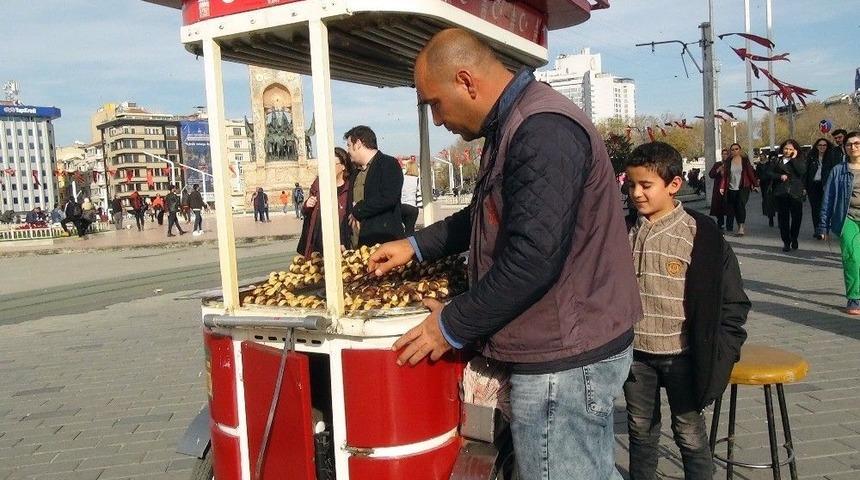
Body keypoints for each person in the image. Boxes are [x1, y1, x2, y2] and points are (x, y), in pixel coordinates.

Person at [367, 28, 641, 479]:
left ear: (466, 81)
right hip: (562, 344)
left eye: (434, 103)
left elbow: (533, 258)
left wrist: (449, 326)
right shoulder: (514, 123)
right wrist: (414, 245)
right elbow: (485, 215)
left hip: (564, 358)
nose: (437, 120)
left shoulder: (542, 129)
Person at [623, 141, 750, 480]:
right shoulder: (624, 231)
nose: (636, 193)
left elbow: (733, 301)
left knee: (690, 434)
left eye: (646, 185)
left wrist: (724, 351)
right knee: (640, 431)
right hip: (635, 356)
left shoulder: (701, 233)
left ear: (673, 185)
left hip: (683, 355)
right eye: (631, 185)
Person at [820, 131, 860, 314]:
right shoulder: (839, 170)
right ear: (845, 148)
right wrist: (823, 225)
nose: (853, 147)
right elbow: (828, 198)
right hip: (848, 219)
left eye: (857, 143)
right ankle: (854, 298)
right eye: (849, 144)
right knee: (851, 257)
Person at [344, 125, 405, 246]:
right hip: (358, 244)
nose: (348, 151)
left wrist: (359, 209)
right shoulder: (356, 172)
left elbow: (388, 197)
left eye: (349, 146)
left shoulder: (388, 164)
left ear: (358, 144)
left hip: (383, 241)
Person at [297, 147, 353, 256]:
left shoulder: (350, 186)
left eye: (333, 163)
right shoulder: (319, 183)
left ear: (343, 166)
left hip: (340, 240)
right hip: (318, 238)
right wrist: (307, 205)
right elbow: (306, 211)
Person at [768, 139, 807, 252]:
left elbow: (802, 171)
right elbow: (768, 173)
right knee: (783, 218)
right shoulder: (777, 160)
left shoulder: (799, 160)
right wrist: (779, 176)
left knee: (796, 218)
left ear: (795, 150)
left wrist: (794, 159)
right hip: (781, 192)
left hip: (795, 193)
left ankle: (794, 237)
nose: (787, 151)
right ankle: (786, 241)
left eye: (790, 149)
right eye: (786, 148)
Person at [719, 143, 758, 236]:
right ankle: (739, 225)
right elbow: (725, 176)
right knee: (735, 208)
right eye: (732, 149)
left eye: (736, 149)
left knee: (740, 205)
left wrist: (755, 184)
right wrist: (722, 186)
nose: (734, 151)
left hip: (743, 187)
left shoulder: (744, 161)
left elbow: (750, 173)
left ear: (740, 150)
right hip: (732, 187)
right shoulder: (728, 161)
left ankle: (741, 228)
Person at [806, 138, 835, 239]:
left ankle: (824, 229)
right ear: (816, 146)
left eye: (824, 145)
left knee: (825, 208)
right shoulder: (811, 156)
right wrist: (805, 187)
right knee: (815, 209)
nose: (822, 147)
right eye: (820, 145)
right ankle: (817, 230)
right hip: (813, 185)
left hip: (826, 185)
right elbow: (806, 172)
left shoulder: (831, 157)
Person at [708, 149, 728, 229]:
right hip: (718, 188)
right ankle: (720, 223)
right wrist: (718, 169)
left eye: (726, 154)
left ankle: (729, 225)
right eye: (723, 154)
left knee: (729, 206)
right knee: (719, 205)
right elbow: (711, 174)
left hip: (728, 187)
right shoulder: (717, 164)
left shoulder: (731, 164)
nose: (724, 155)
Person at [755, 153, 776, 227]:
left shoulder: (769, 164)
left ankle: (772, 217)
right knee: (766, 200)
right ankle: (769, 216)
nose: (761, 157)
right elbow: (757, 174)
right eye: (760, 156)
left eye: (762, 156)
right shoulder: (759, 165)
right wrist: (757, 182)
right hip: (763, 184)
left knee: (771, 200)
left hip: (770, 183)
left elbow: (772, 173)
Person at [400, 162, 421, 235]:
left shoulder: (402, 178)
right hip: (412, 207)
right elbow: (420, 192)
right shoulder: (417, 180)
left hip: (401, 206)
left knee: (400, 228)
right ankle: (409, 244)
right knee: (410, 229)